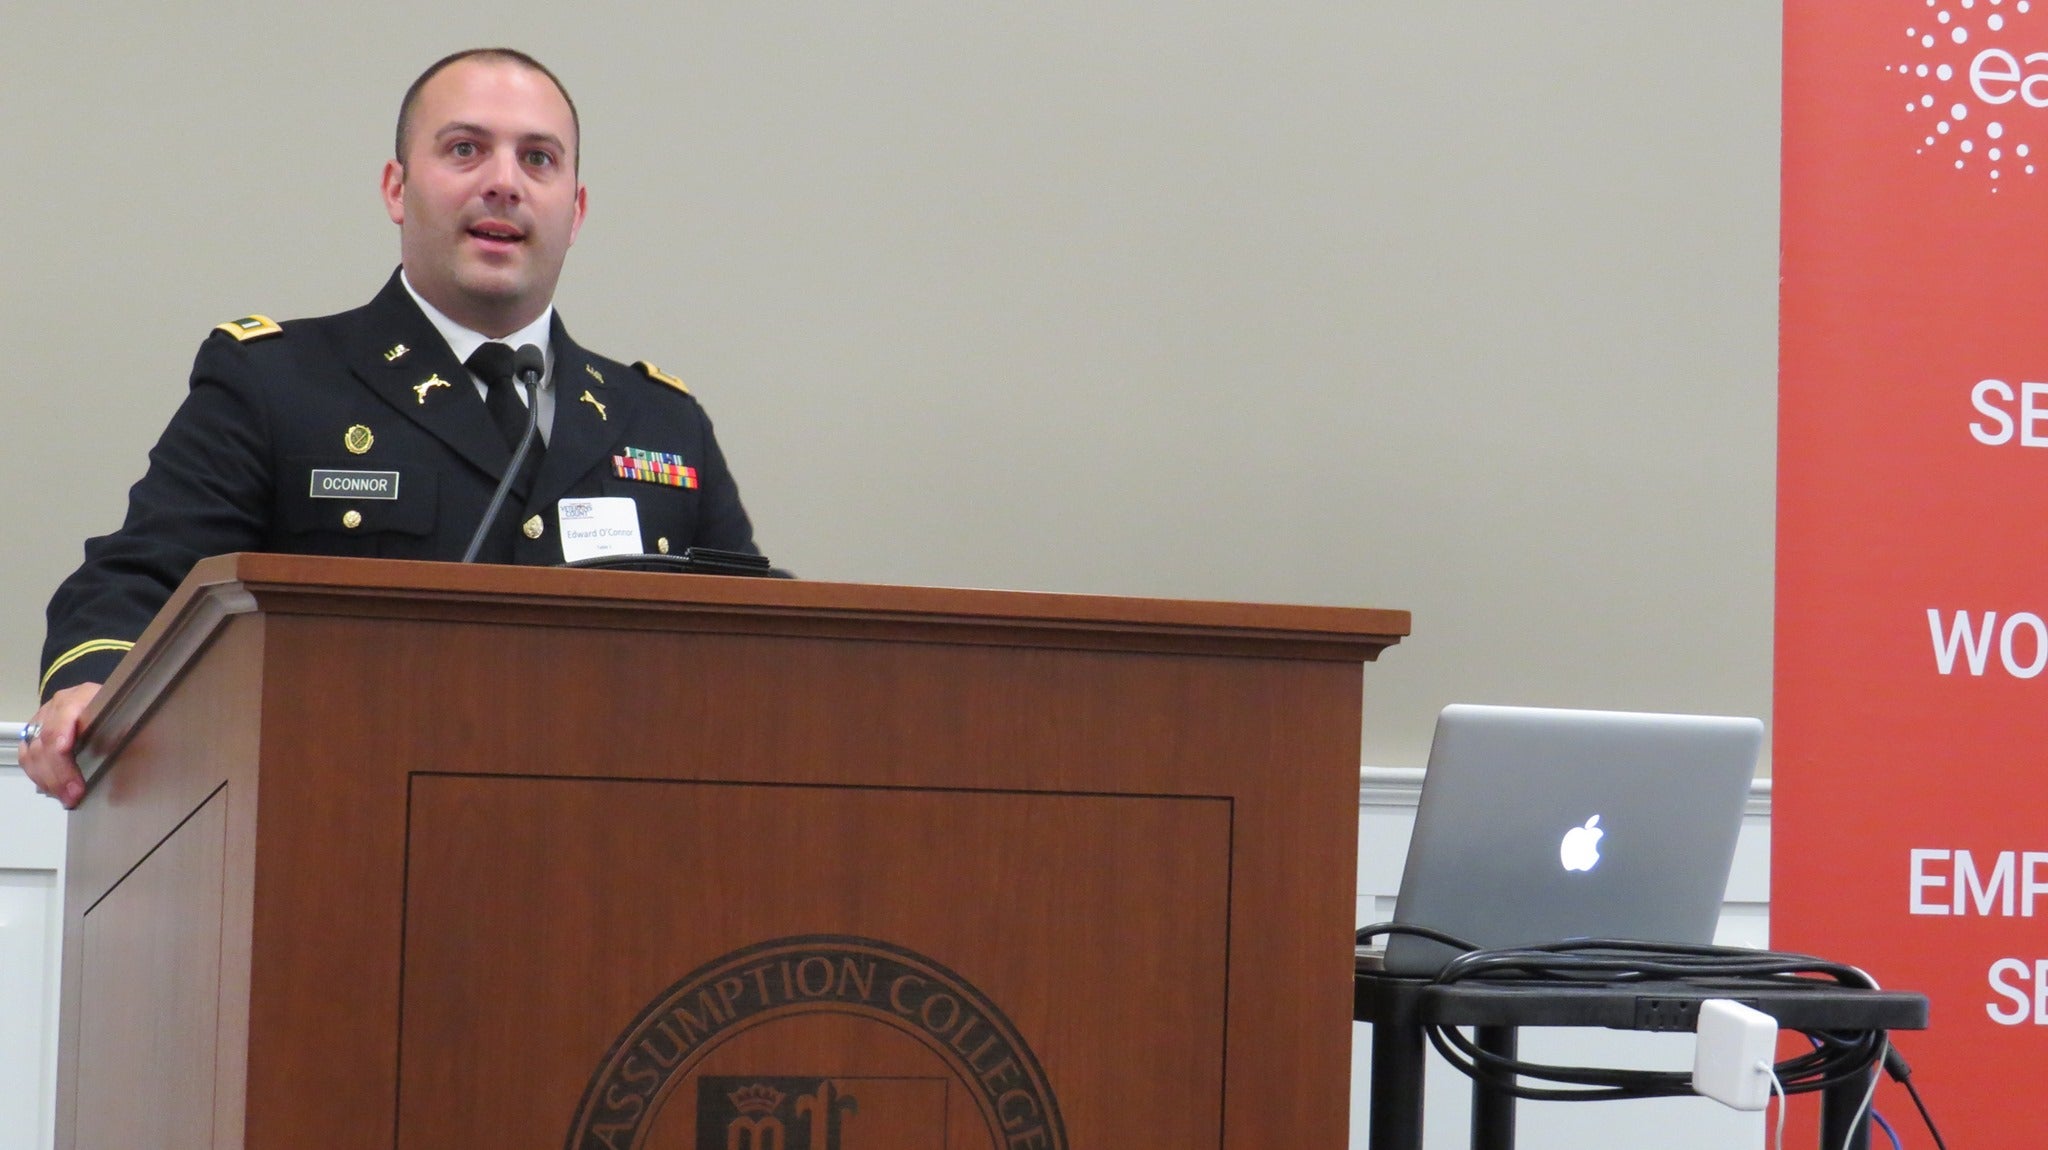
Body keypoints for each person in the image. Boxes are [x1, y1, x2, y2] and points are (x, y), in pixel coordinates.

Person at [19, 48, 761, 808]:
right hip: (343, 825)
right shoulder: (277, 381)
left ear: (573, 212)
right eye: (465, 149)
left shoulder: (663, 422)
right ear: (397, 189)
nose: (504, 181)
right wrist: (92, 690)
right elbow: (139, 580)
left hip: (618, 846)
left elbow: (769, 650)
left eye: (538, 158)